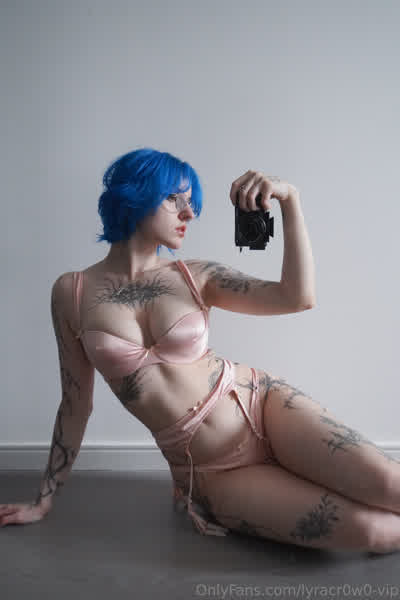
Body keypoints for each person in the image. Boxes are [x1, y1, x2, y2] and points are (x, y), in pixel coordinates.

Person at [1, 147, 399, 555]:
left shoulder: (197, 276)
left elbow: (297, 297)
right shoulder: (72, 292)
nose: (189, 213)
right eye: (174, 199)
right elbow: (75, 404)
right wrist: (43, 499)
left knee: (391, 486)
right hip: (210, 470)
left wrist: (290, 199)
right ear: (133, 194)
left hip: (262, 406)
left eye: (191, 202)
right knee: (375, 531)